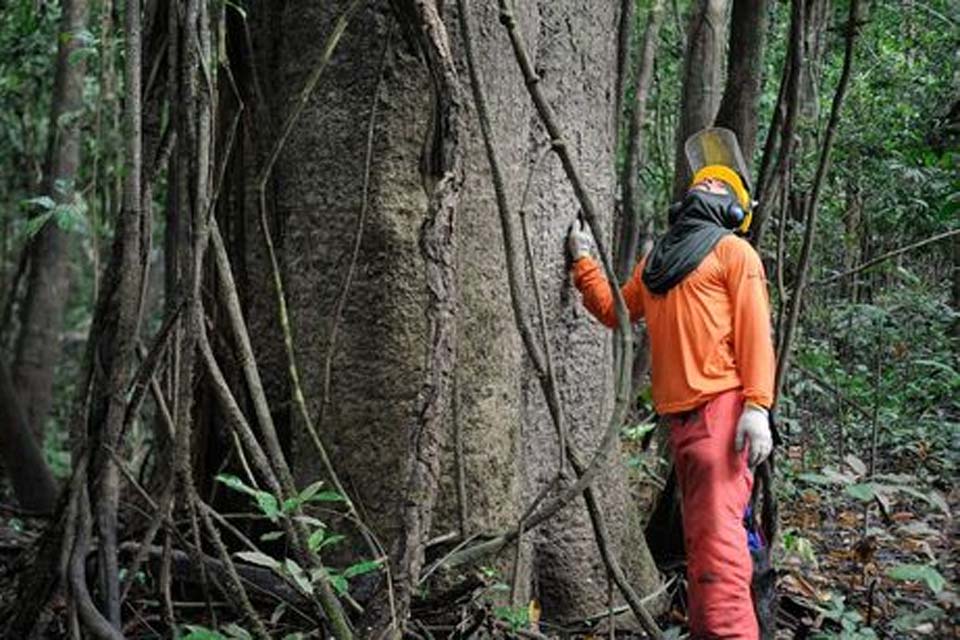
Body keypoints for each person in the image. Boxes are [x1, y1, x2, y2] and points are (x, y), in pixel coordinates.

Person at [567, 128, 775, 639]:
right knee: (708, 547)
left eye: (712, 188)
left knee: (719, 552)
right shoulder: (663, 262)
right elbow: (616, 309)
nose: (705, 192)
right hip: (690, 426)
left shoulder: (729, 255)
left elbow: (755, 336)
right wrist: (582, 260)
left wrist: (757, 408)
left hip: (720, 420)